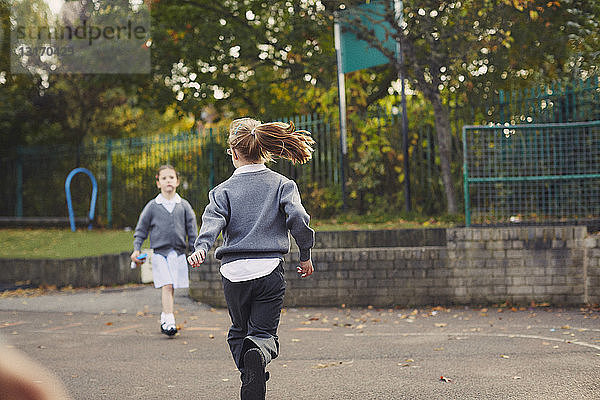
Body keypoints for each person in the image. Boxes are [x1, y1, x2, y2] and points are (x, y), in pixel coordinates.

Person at [187, 118, 315, 400]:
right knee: (263, 335)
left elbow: (212, 223)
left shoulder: (221, 191)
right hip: (269, 270)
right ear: (264, 148)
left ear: (234, 152)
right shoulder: (282, 184)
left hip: (233, 274)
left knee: (237, 332)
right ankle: (257, 356)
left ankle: (250, 376)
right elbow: (299, 219)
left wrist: (201, 247)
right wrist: (305, 255)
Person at [131, 164, 198, 337]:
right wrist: (136, 249)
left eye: (171, 177)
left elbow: (192, 231)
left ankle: (164, 317)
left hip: (178, 253)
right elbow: (141, 230)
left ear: (177, 181)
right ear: (158, 183)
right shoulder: (152, 206)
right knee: (167, 285)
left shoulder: (184, 206)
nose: (168, 181)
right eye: (164, 178)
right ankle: (169, 321)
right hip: (160, 253)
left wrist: (195, 251)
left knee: (171, 286)